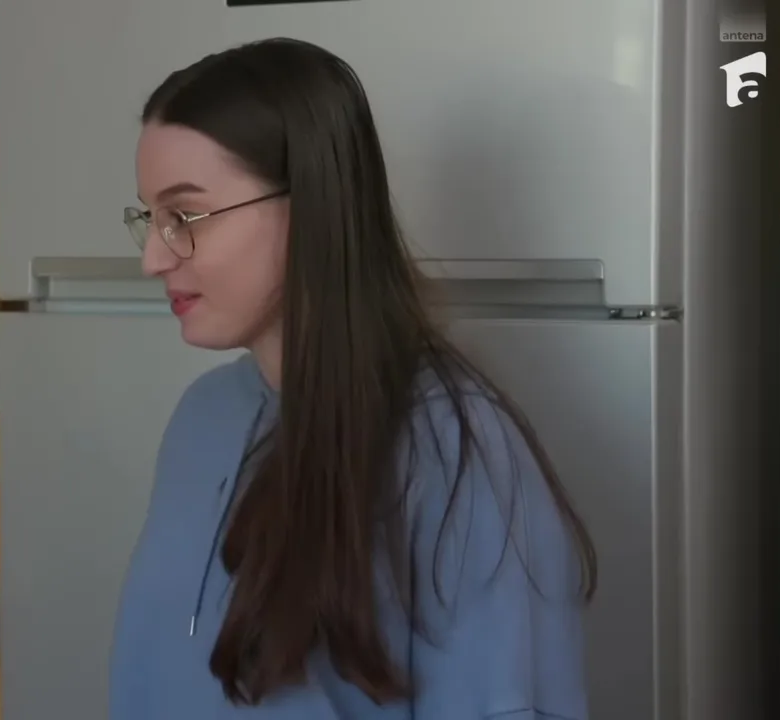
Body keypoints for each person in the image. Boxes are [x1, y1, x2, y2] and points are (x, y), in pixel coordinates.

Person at [110, 38, 598, 719]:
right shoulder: (202, 419)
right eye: (150, 219)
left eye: (185, 217)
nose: (154, 260)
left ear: (310, 205)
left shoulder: (459, 454)